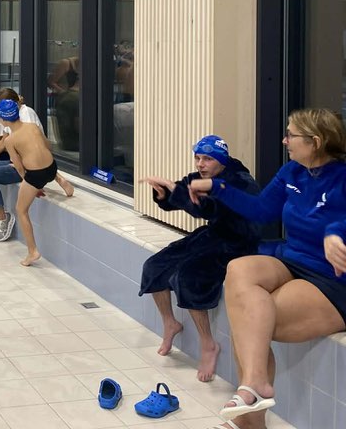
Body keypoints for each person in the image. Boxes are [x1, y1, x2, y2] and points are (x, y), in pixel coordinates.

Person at [188, 109, 346, 426]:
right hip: (293, 259)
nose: (285, 140)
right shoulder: (292, 171)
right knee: (239, 269)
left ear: (315, 142)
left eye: (291, 135)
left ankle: (250, 417)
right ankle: (255, 386)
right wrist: (216, 187)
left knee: (251, 321)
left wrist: (336, 232)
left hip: (330, 278)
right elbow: (261, 210)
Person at [138, 136, 260, 382]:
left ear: (221, 161)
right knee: (154, 266)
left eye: (207, 159)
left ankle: (208, 344)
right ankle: (170, 323)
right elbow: (179, 196)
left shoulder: (239, 181)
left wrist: (175, 190)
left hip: (239, 243)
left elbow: (205, 208)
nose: (200, 164)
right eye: (197, 158)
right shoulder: (201, 176)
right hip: (214, 235)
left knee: (188, 276)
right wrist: (163, 194)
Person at [0, 89, 74, 241]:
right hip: (48, 166)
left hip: (31, 169)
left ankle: (5, 221)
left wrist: (31, 183)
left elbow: (23, 161)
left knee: (17, 206)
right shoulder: (19, 123)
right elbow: (45, 145)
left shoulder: (26, 116)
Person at [0, 98, 71, 267]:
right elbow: (47, 146)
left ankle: (32, 251)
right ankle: (61, 180)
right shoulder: (32, 126)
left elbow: (19, 167)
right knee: (43, 164)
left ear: (3, 119)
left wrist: (30, 185)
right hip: (52, 167)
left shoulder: (9, 140)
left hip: (36, 175)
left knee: (21, 210)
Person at [48, 55, 80, 152]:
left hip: (73, 97)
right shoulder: (66, 63)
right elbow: (51, 82)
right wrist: (64, 93)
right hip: (65, 99)